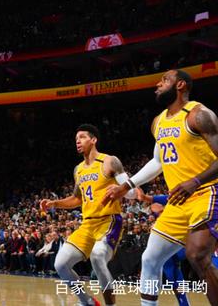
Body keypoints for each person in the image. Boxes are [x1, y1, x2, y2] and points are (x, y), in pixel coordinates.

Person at [104, 69, 218, 306]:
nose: (157, 83)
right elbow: (157, 162)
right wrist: (126, 186)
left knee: (197, 255)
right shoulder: (158, 122)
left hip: (207, 192)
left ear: (180, 85)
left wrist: (195, 181)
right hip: (178, 202)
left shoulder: (199, 115)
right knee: (150, 258)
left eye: (165, 79)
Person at [40, 124, 137, 306]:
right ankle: (88, 302)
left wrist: (120, 189)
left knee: (97, 255)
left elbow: (132, 192)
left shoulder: (109, 161)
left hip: (109, 220)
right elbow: (77, 199)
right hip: (87, 225)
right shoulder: (78, 170)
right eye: (76, 139)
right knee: (60, 264)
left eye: (82, 137)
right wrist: (55, 203)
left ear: (93, 140)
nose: (78, 141)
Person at [136, 191, 190, 306]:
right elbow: (166, 199)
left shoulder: (177, 202)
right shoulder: (159, 211)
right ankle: (183, 302)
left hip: (178, 237)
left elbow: (169, 198)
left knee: (168, 270)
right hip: (172, 239)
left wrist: (149, 198)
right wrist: (147, 198)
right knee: (168, 270)